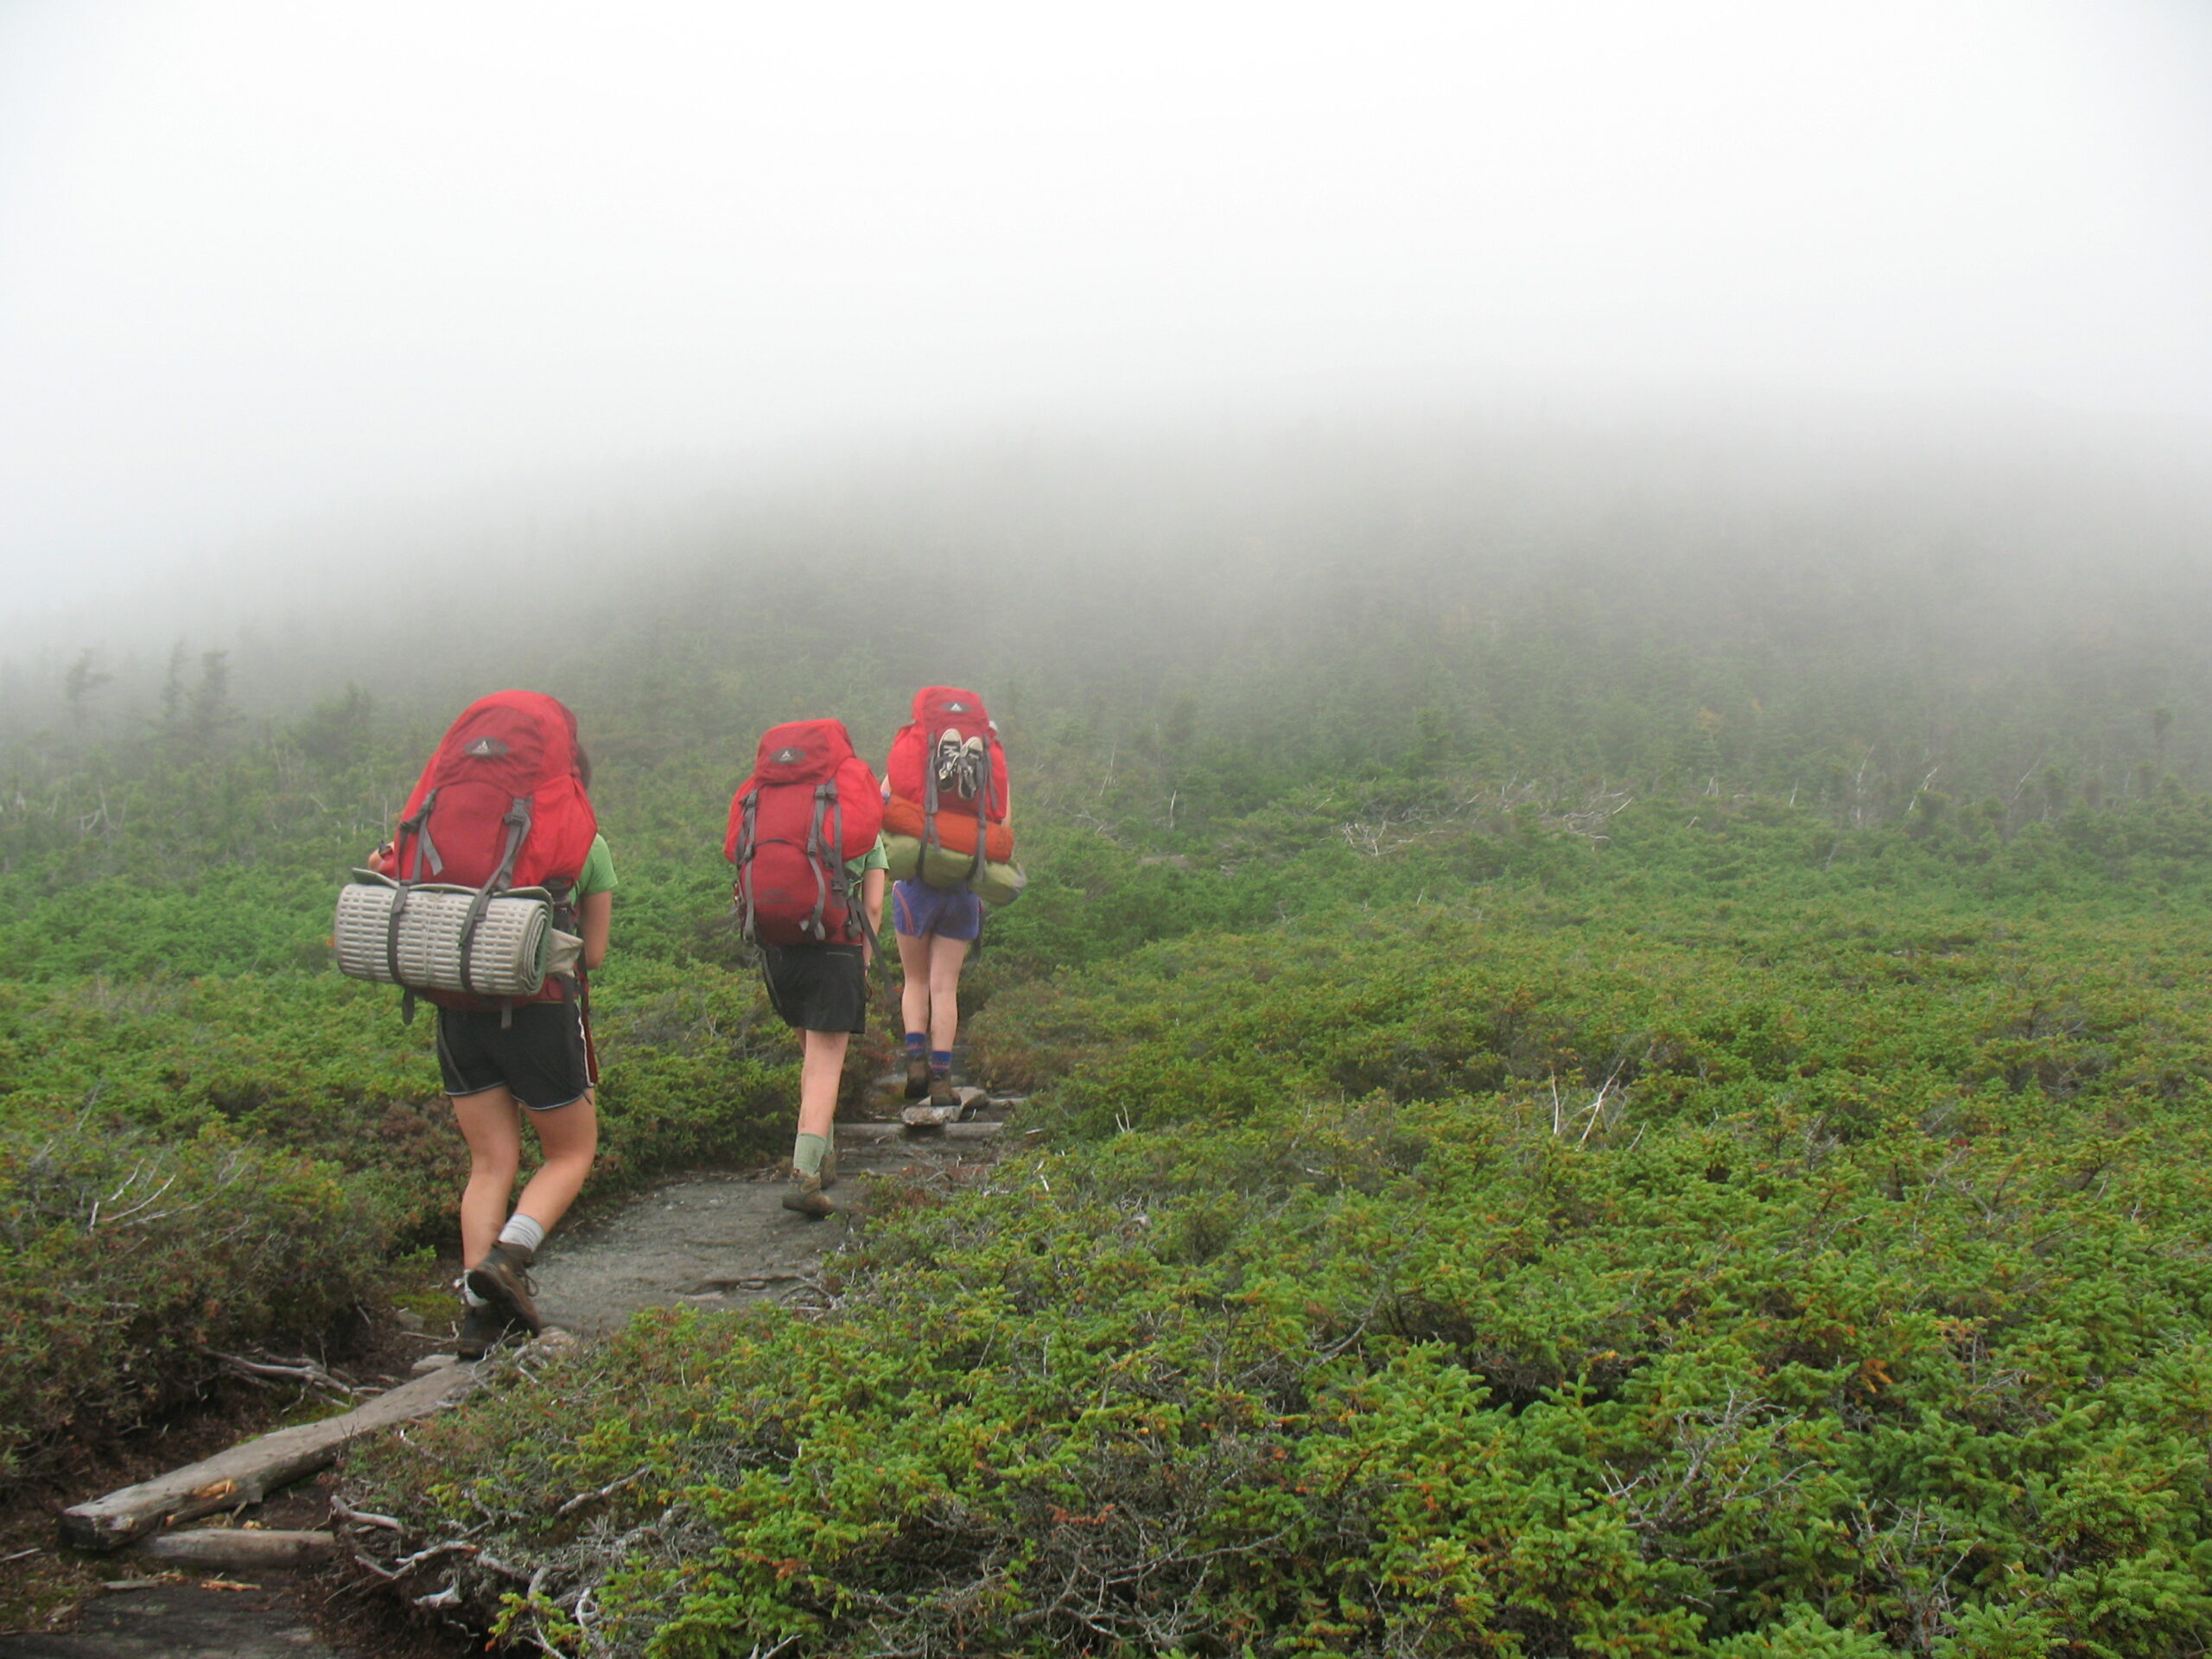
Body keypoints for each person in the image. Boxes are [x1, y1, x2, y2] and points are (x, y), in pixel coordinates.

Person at [369, 747, 613, 1359]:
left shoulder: (450, 836)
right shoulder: (587, 845)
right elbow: (595, 953)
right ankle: (509, 1257)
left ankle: (479, 1321)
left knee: (489, 1164)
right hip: (537, 1012)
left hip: (456, 1010)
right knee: (570, 1152)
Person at [760, 836, 887, 1216]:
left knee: (812, 1060)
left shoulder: (777, 818)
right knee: (825, 1067)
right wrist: (862, 961)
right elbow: (875, 905)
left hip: (779, 952)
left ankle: (825, 1156)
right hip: (835, 947)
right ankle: (805, 1174)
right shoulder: (862, 825)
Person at [893, 734, 1008, 1110]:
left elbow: (880, 802)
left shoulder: (911, 762)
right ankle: (941, 1080)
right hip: (962, 889)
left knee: (915, 980)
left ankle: (914, 1064)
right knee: (945, 988)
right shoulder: (989, 769)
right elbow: (1004, 823)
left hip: (915, 887)